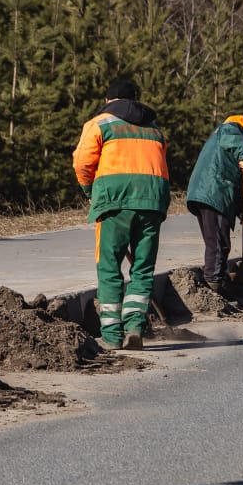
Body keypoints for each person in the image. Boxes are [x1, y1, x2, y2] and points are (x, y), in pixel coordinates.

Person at [73, 79, 171, 351]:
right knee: (142, 268)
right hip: (152, 200)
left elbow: (82, 161)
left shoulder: (100, 123)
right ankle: (135, 327)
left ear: (108, 101)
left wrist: (88, 189)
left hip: (114, 201)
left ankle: (113, 335)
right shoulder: (154, 128)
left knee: (109, 267)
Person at [186, 113, 243, 292]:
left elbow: (238, 182)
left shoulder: (234, 136)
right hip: (214, 191)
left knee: (219, 241)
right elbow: (236, 144)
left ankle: (220, 279)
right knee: (217, 242)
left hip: (214, 190)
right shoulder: (232, 128)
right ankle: (214, 284)